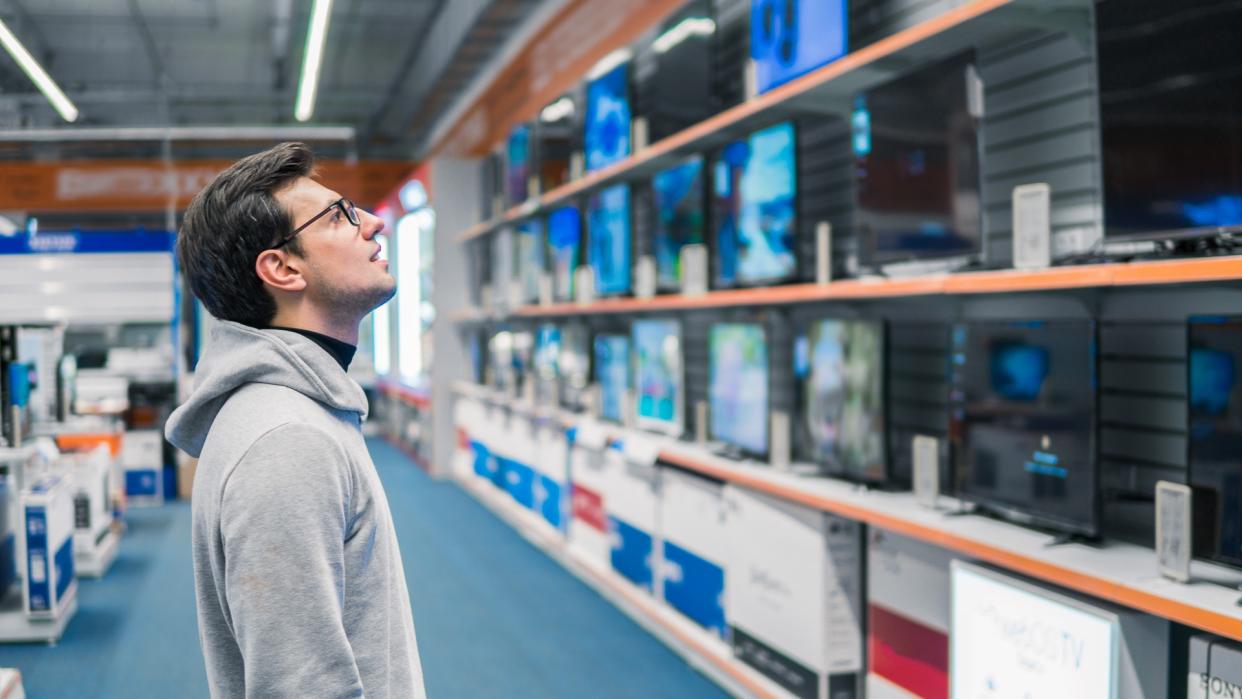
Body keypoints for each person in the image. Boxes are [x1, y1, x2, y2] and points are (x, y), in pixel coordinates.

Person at [166, 142, 426, 698]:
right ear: (281, 268)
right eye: (339, 215)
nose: (375, 223)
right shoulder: (287, 439)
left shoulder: (300, 412)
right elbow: (301, 687)